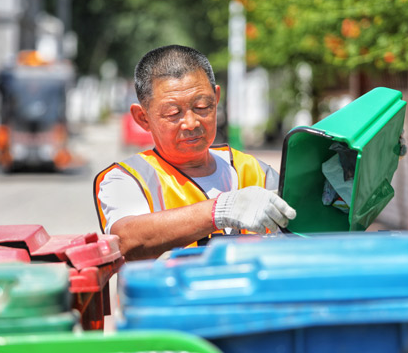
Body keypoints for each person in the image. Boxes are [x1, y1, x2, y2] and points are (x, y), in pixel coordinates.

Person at [93, 45, 296, 261]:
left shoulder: (254, 171)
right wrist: (222, 210)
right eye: (173, 113)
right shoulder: (127, 178)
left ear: (216, 98)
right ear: (143, 118)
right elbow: (126, 240)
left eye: (202, 106)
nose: (191, 123)